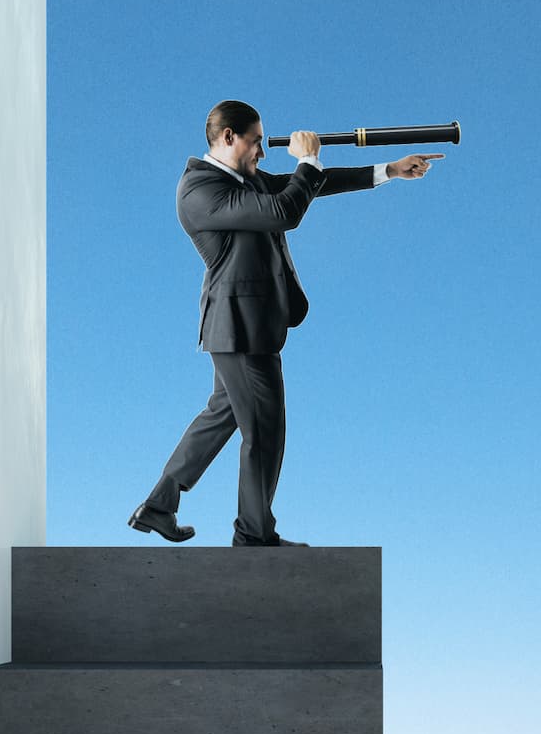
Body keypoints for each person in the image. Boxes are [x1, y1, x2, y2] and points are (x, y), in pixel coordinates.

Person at [128, 98, 441, 547]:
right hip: (238, 328)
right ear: (228, 138)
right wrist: (309, 160)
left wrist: (387, 170)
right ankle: (253, 537)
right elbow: (285, 212)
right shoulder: (201, 189)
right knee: (265, 431)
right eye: (256, 142)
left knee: (223, 416)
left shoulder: (242, 180)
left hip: (247, 326)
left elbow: (311, 185)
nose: (262, 151)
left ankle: (158, 507)